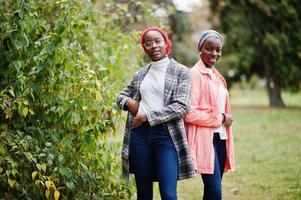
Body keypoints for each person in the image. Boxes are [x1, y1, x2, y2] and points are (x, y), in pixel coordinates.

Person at [116, 26, 195, 200]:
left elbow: (182, 106)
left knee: (168, 194)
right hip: (139, 137)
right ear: (145, 48)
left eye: (158, 41)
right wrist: (129, 103)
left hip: (166, 137)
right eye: (148, 43)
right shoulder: (140, 74)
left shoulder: (182, 72)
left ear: (166, 43)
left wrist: (148, 117)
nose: (154, 46)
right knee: (143, 194)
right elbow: (120, 96)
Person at [184, 30, 236, 200]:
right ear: (200, 49)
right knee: (215, 192)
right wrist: (220, 118)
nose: (214, 53)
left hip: (221, 138)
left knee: (211, 191)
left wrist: (225, 118)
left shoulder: (217, 76)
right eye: (209, 48)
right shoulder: (195, 74)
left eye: (218, 50)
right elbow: (189, 113)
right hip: (205, 140)